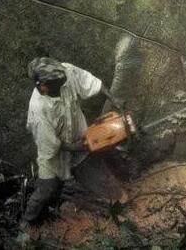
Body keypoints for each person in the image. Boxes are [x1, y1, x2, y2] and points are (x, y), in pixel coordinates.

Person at [22, 56, 121, 225]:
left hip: (81, 138)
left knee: (105, 181)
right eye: (58, 84)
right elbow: (51, 145)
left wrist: (113, 99)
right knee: (47, 190)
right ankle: (27, 225)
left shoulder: (65, 71)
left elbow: (93, 83)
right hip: (55, 154)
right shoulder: (38, 110)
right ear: (43, 87)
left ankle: (117, 205)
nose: (64, 83)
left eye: (63, 80)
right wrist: (84, 146)